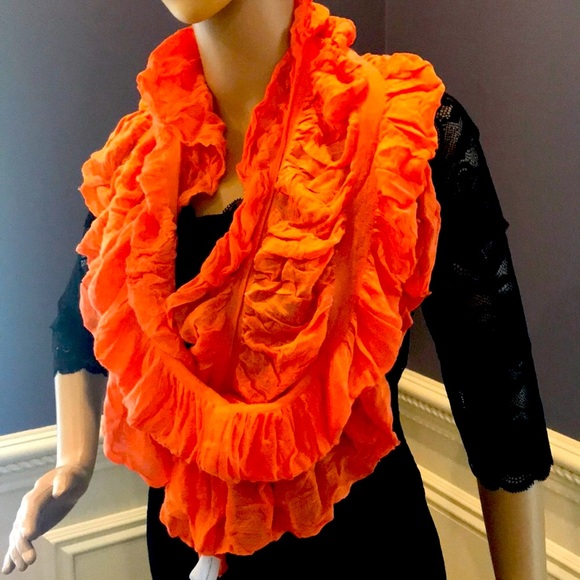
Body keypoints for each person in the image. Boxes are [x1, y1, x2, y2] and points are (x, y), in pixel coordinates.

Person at [2, 1, 552, 578]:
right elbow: (78, 324)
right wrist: (74, 462)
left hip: (363, 554)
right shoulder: (138, 161)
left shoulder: (403, 129)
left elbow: (497, 392)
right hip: (183, 545)